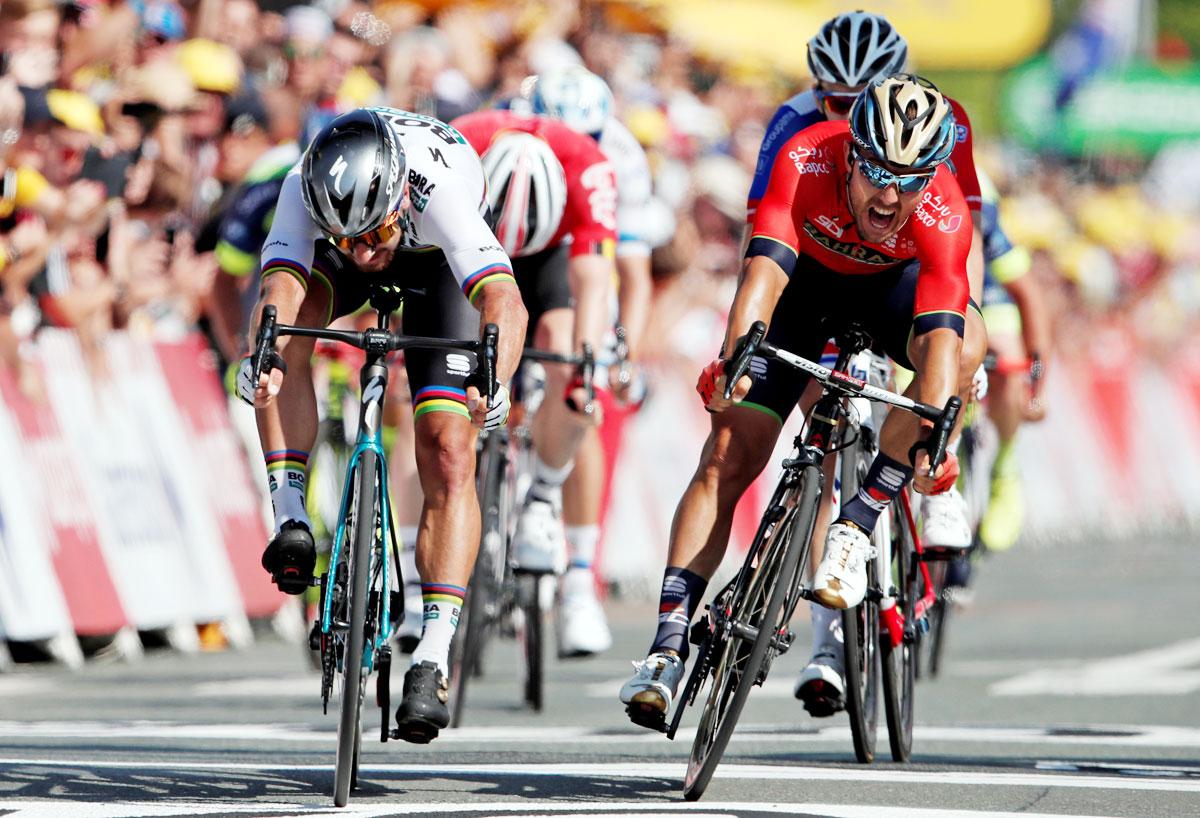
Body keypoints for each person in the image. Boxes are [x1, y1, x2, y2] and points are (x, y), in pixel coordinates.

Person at [619, 74, 985, 730]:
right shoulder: (807, 156)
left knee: (967, 348)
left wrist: (935, 437)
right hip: (801, 294)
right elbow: (761, 278)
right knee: (728, 455)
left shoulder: (942, 210)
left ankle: (858, 518)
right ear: (851, 154)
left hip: (893, 296)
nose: (892, 194)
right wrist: (733, 359)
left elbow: (939, 343)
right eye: (876, 170)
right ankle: (667, 644)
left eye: (912, 178)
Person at [239, 107, 527, 744]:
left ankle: (433, 653)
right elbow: (280, 282)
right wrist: (263, 349)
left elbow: (503, 300)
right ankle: (290, 517)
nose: (366, 254)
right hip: (346, 247)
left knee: (449, 445)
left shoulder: (439, 191)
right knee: (280, 344)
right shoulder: (301, 186)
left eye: (372, 235)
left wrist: (495, 379)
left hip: (434, 267)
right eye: (350, 240)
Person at [740, 10, 988, 714]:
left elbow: (959, 242)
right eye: (832, 100)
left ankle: (933, 483)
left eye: (859, 100)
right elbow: (765, 228)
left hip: (917, 269)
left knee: (964, 347)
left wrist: (967, 342)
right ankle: (826, 642)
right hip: (823, 265)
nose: (842, 113)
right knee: (825, 433)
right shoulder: (795, 123)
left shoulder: (947, 122)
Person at [450, 108, 618, 612]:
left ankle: (544, 494)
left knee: (568, 355)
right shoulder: (461, 142)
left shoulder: (589, 168)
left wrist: (583, 371)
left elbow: (593, 280)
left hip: (553, 257)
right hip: (468, 243)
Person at [523, 64, 655, 657]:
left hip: (581, 257)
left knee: (583, 392)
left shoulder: (621, 157)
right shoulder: (508, 133)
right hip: (514, 242)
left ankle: (579, 578)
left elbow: (631, 271)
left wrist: (621, 352)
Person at [973, 168, 1050, 553]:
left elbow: (1030, 299)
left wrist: (1036, 386)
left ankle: (1005, 464)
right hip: (934, 289)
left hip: (987, 296)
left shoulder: (988, 226)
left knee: (1005, 354)